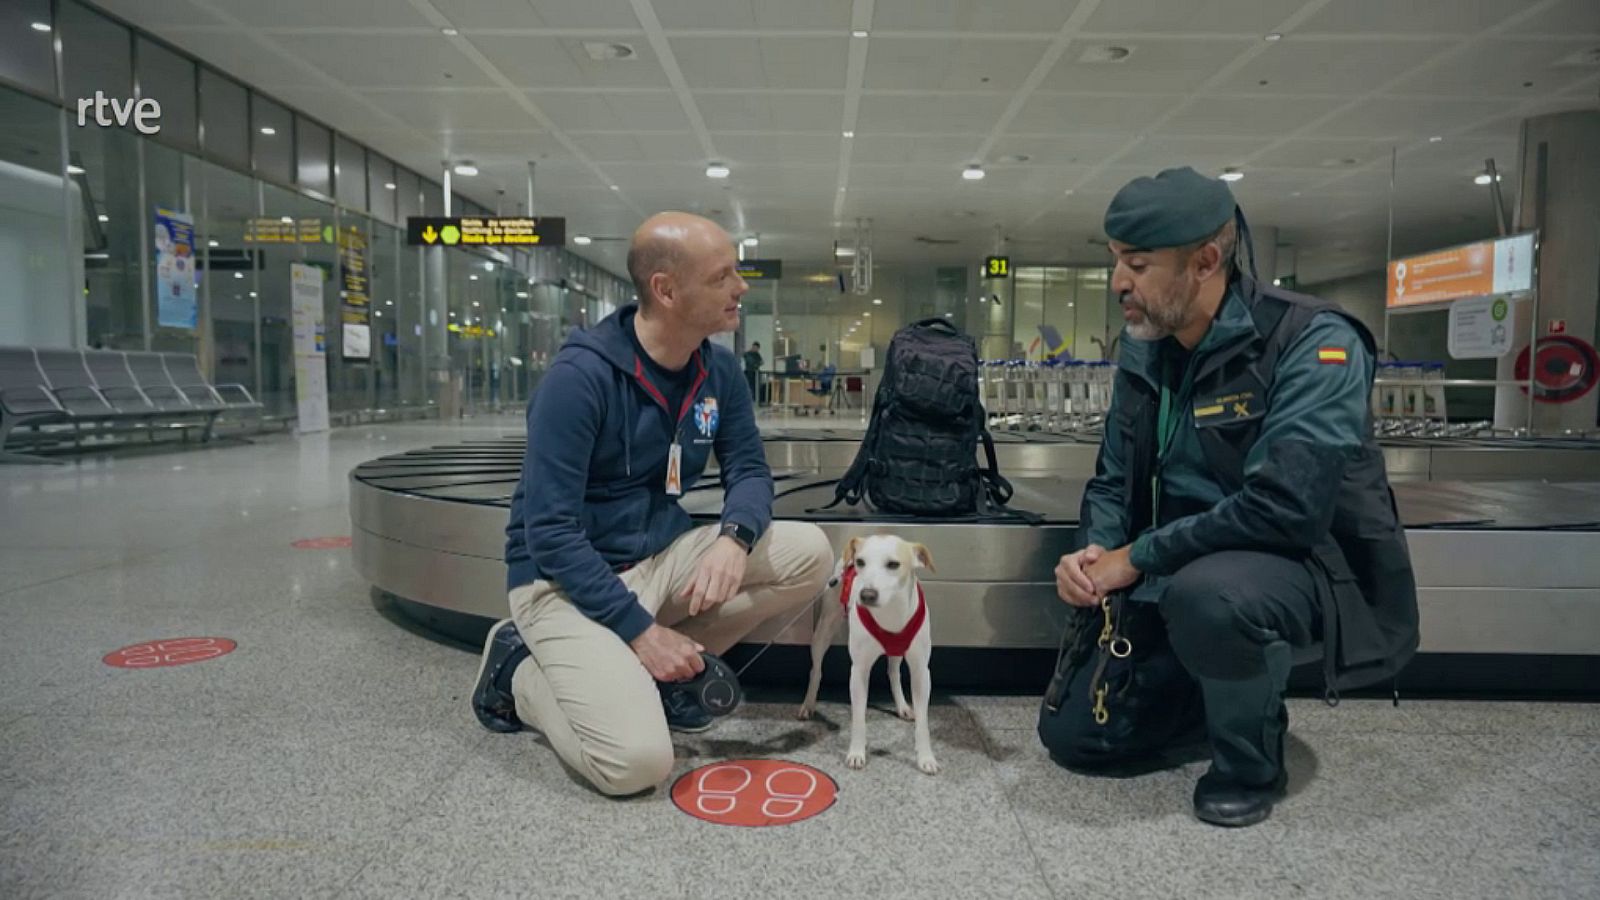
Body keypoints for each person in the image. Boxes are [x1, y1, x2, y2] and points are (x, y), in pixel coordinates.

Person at [1037, 167, 1418, 827]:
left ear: (1206, 260)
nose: (1118, 282)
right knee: (1078, 742)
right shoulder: (1147, 349)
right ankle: (1203, 688)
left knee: (1209, 596)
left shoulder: (1311, 342)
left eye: (1138, 263)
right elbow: (1112, 474)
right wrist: (1093, 550)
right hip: (1172, 567)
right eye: (1115, 262)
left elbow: (1286, 509)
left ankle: (1250, 757)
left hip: (1288, 566)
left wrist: (1140, 555)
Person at [471, 212, 834, 797]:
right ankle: (520, 673)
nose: (741, 287)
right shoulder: (579, 379)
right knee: (634, 765)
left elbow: (748, 469)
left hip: (659, 558)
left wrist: (733, 538)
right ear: (666, 290)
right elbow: (551, 533)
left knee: (810, 553)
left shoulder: (718, 370)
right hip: (563, 582)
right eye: (722, 277)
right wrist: (640, 632)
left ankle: (642, 676)